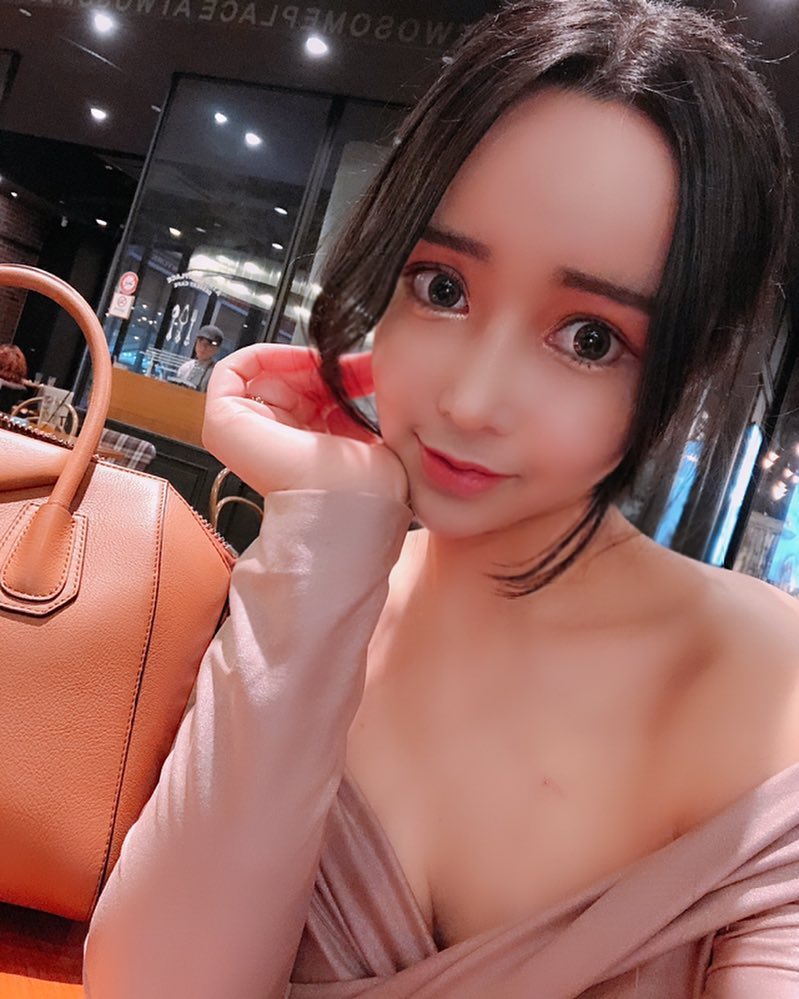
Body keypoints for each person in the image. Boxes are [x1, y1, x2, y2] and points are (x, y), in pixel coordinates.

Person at [83, 1, 799, 996]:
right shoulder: (323, 599)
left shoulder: (768, 691)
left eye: (589, 338)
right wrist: (328, 535)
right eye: (442, 287)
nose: (470, 400)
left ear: (692, 364)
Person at [174, 325, 224, 391]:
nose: (203, 347)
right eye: (200, 342)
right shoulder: (186, 367)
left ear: (217, 349)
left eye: (209, 345)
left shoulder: (216, 373)